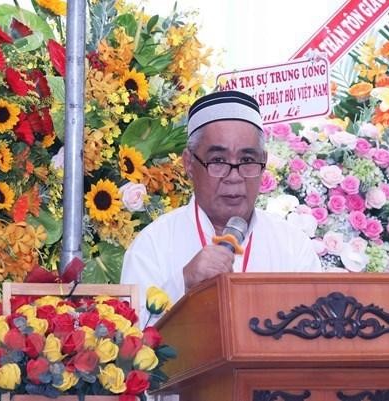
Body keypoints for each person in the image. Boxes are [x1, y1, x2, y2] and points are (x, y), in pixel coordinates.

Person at [121, 90, 321, 324]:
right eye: (218, 161)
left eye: (247, 161)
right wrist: (183, 283)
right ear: (189, 163)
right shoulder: (153, 244)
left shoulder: (292, 245)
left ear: (264, 162)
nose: (234, 177)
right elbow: (129, 341)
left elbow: (317, 335)